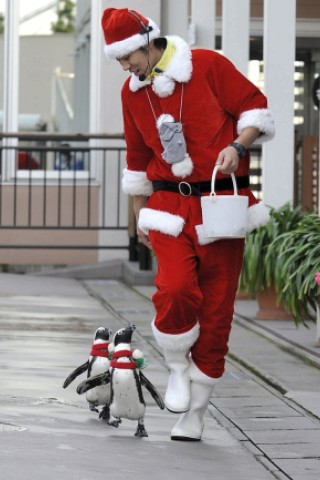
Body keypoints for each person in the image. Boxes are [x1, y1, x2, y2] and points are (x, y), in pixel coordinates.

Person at [101, 7, 275, 441]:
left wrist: (238, 144)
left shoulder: (208, 66)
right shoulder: (131, 92)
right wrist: (139, 212)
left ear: (147, 41)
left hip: (221, 203)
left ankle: (195, 412)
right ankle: (177, 366)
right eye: (119, 61)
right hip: (167, 207)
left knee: (217, 310)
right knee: (175, 288)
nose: (125, 67)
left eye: (128, 57)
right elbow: (137, 156)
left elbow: (254, 106)